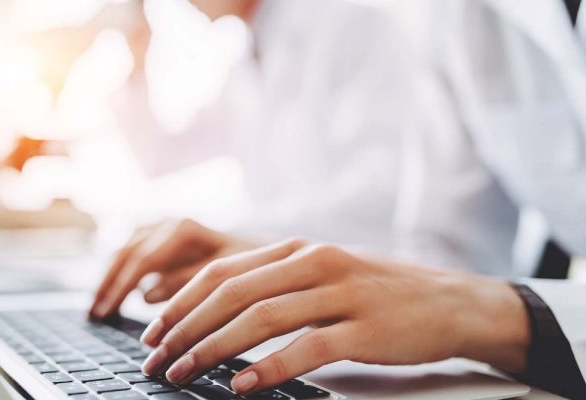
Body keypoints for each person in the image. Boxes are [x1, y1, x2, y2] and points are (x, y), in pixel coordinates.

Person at [91, 0, 586, 398]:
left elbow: (378, 203)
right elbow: (448, 249)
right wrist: (132, 51)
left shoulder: (352, 24)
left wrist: (261, 247)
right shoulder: (455, 16)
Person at [108, 0, 521, 296]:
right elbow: (162, 157)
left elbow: (384, 193)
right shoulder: (245, 64)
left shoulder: (351, 25)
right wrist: (136, 58)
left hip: (392, 295)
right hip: (299, 292)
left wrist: (236, 241)